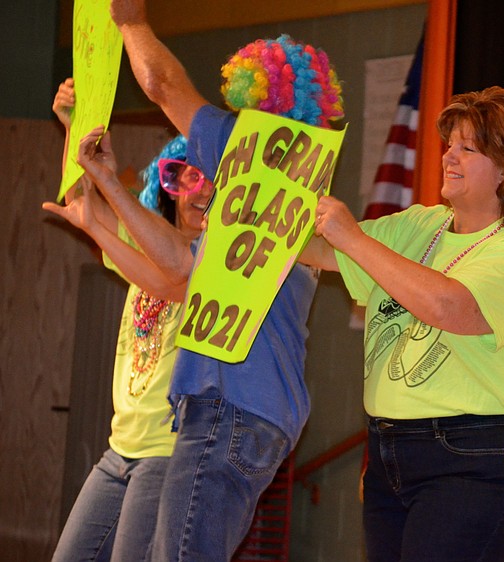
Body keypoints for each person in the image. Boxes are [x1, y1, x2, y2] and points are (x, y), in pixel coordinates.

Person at [69, 1, 346, 559]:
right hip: (255, 414)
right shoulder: (286, 194)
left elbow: (162, 83)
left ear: (259, 107)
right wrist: (105, 184)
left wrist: (131, 21)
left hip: (230, 406)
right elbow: (180, 263)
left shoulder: (252, 157)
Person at [299, 86, 504, 562]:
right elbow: (319, 250)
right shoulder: (421, 225)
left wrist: (354, 239)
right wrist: (244, 206)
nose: (449, 156)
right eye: (449, 145)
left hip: (476, 457)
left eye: (468, 148)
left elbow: (448, 308)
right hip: (391, 451)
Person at [44, 78, 210, 560]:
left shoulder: (213, 262)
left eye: (214, 179)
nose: (201, 191)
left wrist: (99, 208)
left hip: (165, 453)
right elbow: (83, 203)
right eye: (187, 177)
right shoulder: (142, 247)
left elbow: (176, 270)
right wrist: (75, 126)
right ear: (171, 188)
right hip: (120, 448)